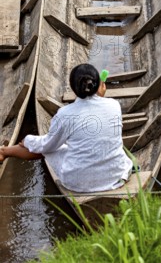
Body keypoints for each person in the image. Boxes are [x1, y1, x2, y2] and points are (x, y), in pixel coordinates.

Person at [0, 64, 133, 192]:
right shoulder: (114, 105)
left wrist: (28, 140)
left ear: (73, 88)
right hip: (115, 177)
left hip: (77, 183)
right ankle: (4, 152)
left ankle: (4, 151)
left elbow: (47, 146)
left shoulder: (65, 114)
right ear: (98, 85)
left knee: (46, 148)